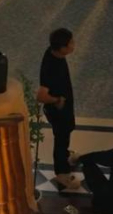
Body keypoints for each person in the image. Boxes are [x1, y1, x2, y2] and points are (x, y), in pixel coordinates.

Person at [37, 28, 80, 190]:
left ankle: (66, 155)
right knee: (61, 139)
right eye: (71, 43)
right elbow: (41, 96)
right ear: (62, 48)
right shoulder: (51, 67)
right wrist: (57, 100)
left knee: (66, 132)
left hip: (64, 109)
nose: (73, 45)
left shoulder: (54, 53)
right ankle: (62, 173)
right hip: (58, 112)